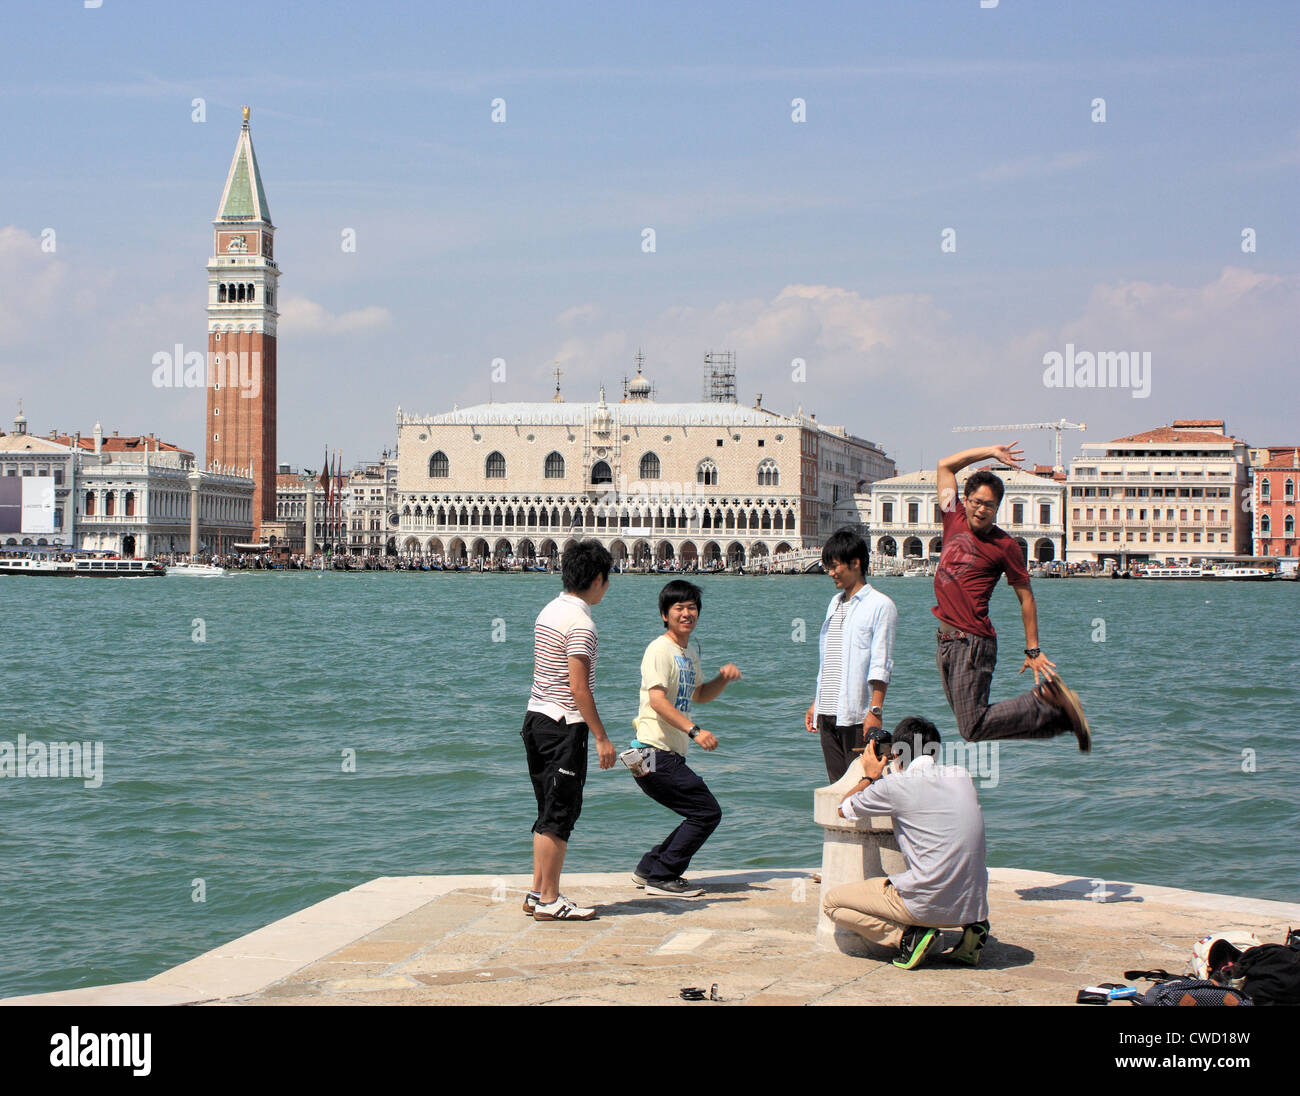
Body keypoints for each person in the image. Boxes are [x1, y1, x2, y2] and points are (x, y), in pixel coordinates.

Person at [933, 443, 1090, 750]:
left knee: (972, 726)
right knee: (971, 726)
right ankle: (1059, 717)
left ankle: (1045, 699)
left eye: (989, 506)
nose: (981, 509)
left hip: (972, 642)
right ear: (965, 500)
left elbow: (1026, 597)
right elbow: (944, 466)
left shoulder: (1005, 546)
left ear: (997, 509)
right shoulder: (952, 517)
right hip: (946, 641)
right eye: (977, 502)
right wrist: (990, 452)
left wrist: (1033, 650)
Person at [823, 717, 991, 970]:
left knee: (832, 902)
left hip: (925, 905)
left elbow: (844, 808)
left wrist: (870, 776)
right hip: (973, 903)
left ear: (897, 753)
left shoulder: (895, 786)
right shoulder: (961, 777)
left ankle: (908, 937)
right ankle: (973, 931)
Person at [521, 540, 617, 921]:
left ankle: (537, 891)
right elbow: (579, 689)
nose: (607, 587)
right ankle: (549, 899)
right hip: (563, 726)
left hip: (535, 719)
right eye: (607, 580)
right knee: (560, 813)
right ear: (597, 579)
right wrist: (601, 737)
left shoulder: (549, 610)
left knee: (546, 810)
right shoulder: (582, 623)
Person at [626, 580, 741, 897]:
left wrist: (722, 679)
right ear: (665, 614)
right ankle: (662, 875)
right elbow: (657, 701)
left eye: (692, 607)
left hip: (660, 755)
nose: (686, 613)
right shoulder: (659, 649)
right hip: (651, 752)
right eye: (679, 608)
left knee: (698, 811)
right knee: (707, 812)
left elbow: (700, 694)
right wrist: (695, 730)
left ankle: (650, 867)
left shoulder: (688, 652)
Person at [804, 528, 898, 781]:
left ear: (855, 563)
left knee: (861, 785)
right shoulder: (834, 603)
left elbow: (882, 663)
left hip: (857, 715)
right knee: (836, 787)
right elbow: (828, 660)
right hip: (828, 714)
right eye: (828, 567)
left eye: (834, 567)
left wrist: (875, 711)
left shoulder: (881, 605)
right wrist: (817, 702)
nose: (831, 573)